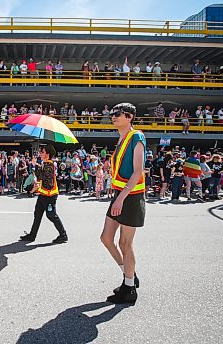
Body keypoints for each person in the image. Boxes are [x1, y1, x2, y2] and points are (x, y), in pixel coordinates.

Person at [100, 103, 145, 304]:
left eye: (117, 114)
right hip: (120, 194)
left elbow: (138, 171)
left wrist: (121, 197)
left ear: (129, 116)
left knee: (125, 243)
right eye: (112, 114)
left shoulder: (137, 137)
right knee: (106, 238)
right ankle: (129, 275)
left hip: (131, 196)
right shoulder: (121, 139)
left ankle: (129, 288)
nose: (113, 117)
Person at [20, 145, 68, 244]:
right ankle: (32, 235)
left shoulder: (49, 164)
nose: (41, 153)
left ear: (48, 154)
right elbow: (41, 176)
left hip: (50, 195)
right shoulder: (45, 163)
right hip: (44, 194)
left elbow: (43, 178)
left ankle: (63, 235)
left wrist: (34, 165)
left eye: (43, 151)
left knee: (51, 215)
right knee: (37, 214)